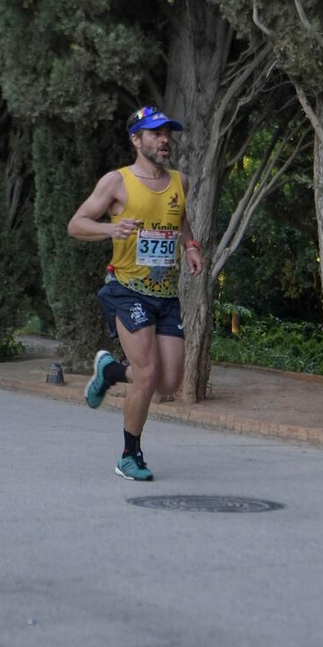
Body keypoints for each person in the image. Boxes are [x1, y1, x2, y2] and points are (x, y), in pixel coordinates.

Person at [68, 106, 204, 481]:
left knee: (169, 381)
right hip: (127, 289)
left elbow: (180, 220)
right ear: (136, 139)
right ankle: (130, 455)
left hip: (165, 294)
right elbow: (76, 224)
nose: (164, 140)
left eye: (167, 134)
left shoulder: (181, 181)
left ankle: (110, 370)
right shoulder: (117, 182)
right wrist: (111, 231)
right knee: (146, 374)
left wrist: (190, 245)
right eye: (155, 133)